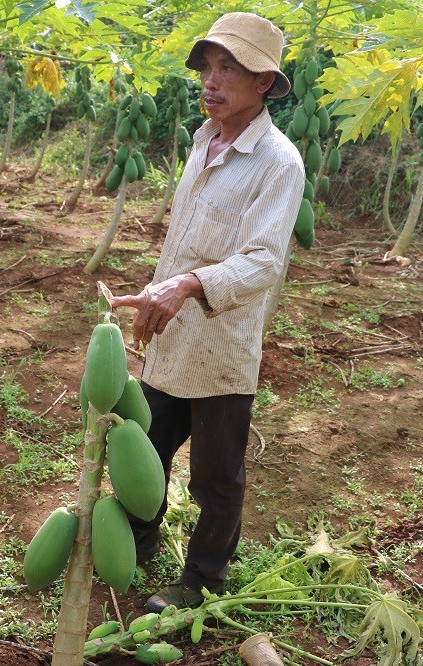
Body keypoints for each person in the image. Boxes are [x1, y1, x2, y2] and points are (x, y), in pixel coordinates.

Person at [109, 12, 305, 611]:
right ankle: (136, 544)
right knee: (149, 447)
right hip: (170, 331)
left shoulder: (278, 161)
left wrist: (189, 285)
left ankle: (202, 579)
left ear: (265, 83)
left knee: (216, 478)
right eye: (208, 68)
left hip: (221, 345)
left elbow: (264, 262)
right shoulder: (204, 141)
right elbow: (186, 239)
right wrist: (158, 290)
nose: (211, 81)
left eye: (229, 69)